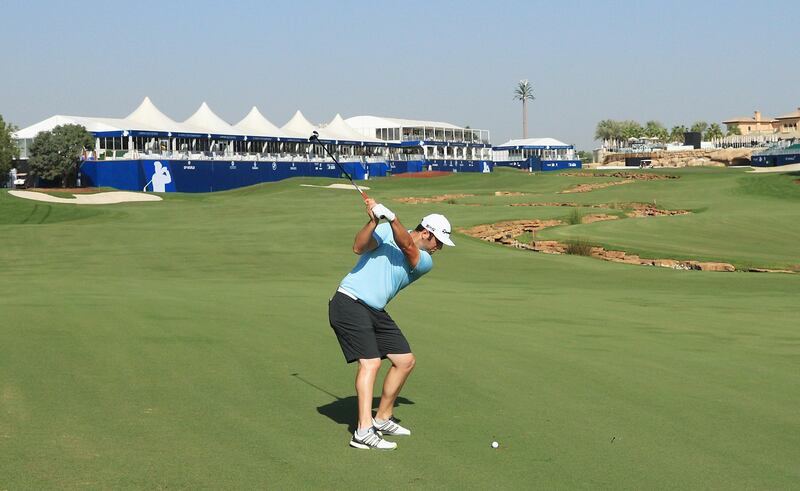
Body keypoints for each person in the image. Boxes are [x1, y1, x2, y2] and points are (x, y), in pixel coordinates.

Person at [328, 198, 454, 450]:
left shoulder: (425, 260)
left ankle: (382, 418)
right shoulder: (386, 230)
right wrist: (374, 220)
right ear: (427, 233)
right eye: (438, 241)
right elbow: (358, 247)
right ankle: (363, 430)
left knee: (405, 361)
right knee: (371, 363)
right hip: (349, 302)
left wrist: (392, 217)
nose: (439, 247)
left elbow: (407, 246)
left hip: (374, 310)